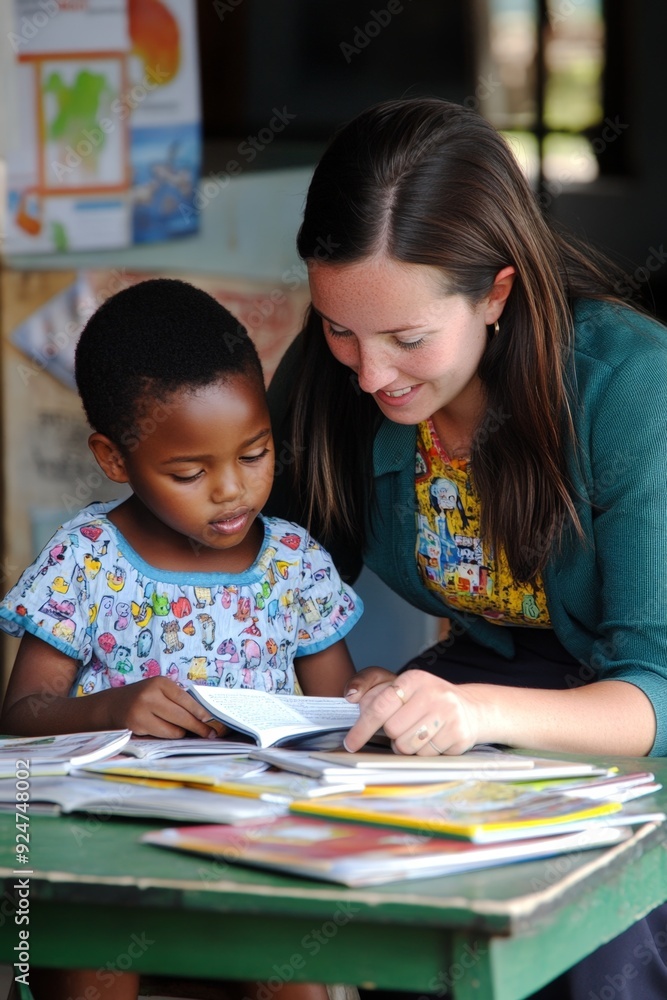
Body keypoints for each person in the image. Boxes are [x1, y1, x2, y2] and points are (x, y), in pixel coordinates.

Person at [265, 97, 667, 1000]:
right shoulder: (335, 381)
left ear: (496, 291)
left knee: (586, 931)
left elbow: (656, 690)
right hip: (481, 698)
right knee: (374, 897)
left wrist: (473, 712)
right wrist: (351, 687)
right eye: (338, 328)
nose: (368, 375)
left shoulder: (628, 386)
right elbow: (267, 578)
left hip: (628, 729)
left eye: (407, 339)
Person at [0, 278, 361, 1000]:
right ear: (113, 458)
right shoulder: (88, 561)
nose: (231, 491)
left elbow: (336, 719)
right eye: (190, 472)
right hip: (109, 842)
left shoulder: (292, 564)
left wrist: (372, 699)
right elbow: (19, 717)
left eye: (255, 454)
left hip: (257, 845)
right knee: (95, 960)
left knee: (290, 968)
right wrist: (109, 708)